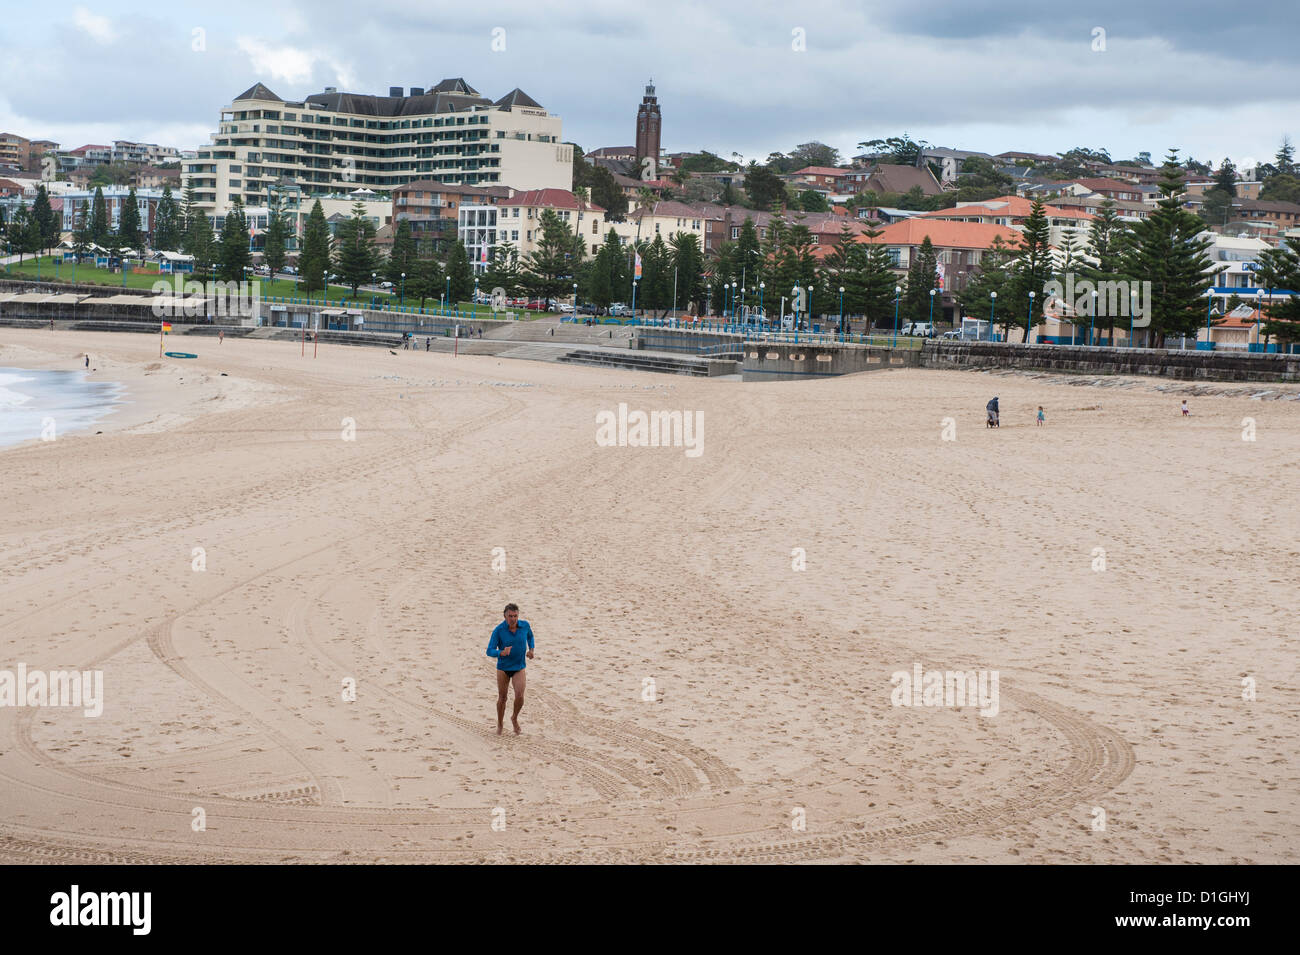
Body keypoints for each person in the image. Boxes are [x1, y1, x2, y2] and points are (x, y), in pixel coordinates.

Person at [486, 603, 535, 735]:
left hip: (519, 667)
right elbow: (489, 651)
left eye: (515, 616)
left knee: (520, 696)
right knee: (503, 698)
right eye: (510, 616)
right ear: (505, 616)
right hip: (503, 669)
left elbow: (530, 636)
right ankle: (500, 724)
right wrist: (500, 653)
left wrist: (531, 649)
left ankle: (514, 718)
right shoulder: (499, 630)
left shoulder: (524, 625)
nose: (513, 619)